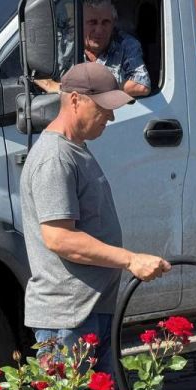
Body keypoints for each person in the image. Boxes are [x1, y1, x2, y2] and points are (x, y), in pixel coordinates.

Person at [21, 61, 171, 372]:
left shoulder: (75, 149)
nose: (111, 116)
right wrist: (130, 259)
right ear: (75, 100)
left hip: (88, 311)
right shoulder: (55, 157)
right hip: (69, 318)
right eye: (103, 107)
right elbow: (59, 238)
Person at [35, 0, 151, 97]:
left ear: (113, 23)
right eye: (92, 22)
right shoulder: (62, 43)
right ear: (78, 23)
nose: (99, 30)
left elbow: (142, 84)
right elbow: (37, 73)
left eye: (106, 22)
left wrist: (88, 92)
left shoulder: (126, 43)